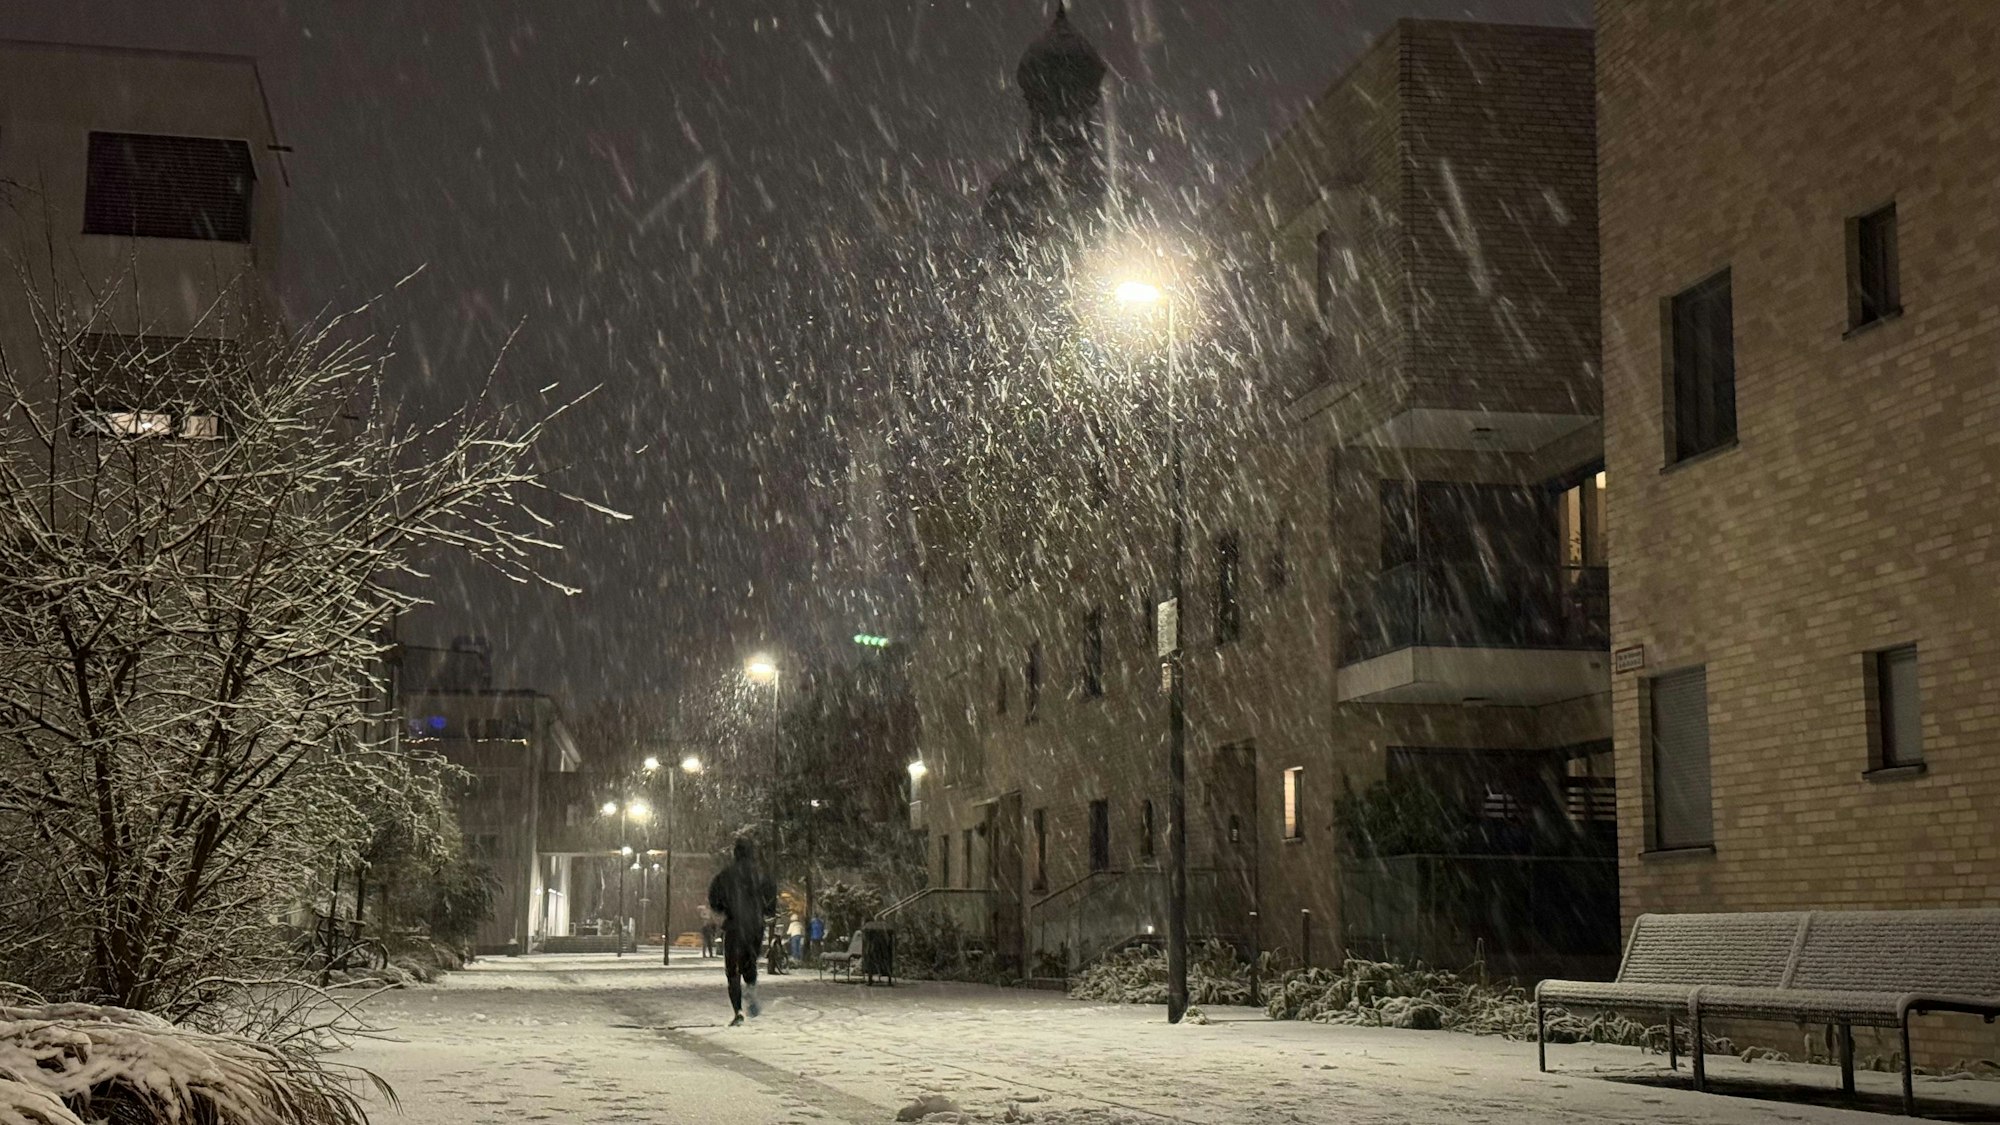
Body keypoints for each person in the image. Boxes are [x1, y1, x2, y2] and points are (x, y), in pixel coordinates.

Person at [706, 837, 776, 1025]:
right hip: (754, 925)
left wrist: (724, 908)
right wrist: (766, 911)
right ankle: (751, 987)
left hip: (735, 926)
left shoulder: (725, 875)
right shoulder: (760, 875)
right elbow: (771, 896)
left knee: (732, 970)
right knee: (749, 960)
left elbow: (714, 898)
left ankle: (737, 1010)